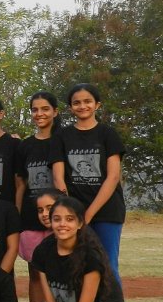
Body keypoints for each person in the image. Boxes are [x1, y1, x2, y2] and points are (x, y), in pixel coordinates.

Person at [50, 84, 126, 285]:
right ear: (70, 107)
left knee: (107, 264)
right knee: (76, 265)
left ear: (97, 105)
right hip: (74, 213)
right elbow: (58, 178)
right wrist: (71, 213)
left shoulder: (108, 134)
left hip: (107, 211)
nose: (82, 106)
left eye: (87, 101)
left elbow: (113, 177)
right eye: (76, 102)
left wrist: (89, 214)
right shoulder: (61, 136)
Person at [16, 91, 59, 263]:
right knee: (35, 268)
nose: (39, 114)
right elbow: (21, 184)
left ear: (55, 111)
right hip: (31, 216)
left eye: (45, 109)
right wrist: (17, 215)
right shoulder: (25, 146)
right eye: (35, 110)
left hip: (57, 216)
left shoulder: (63, 141)